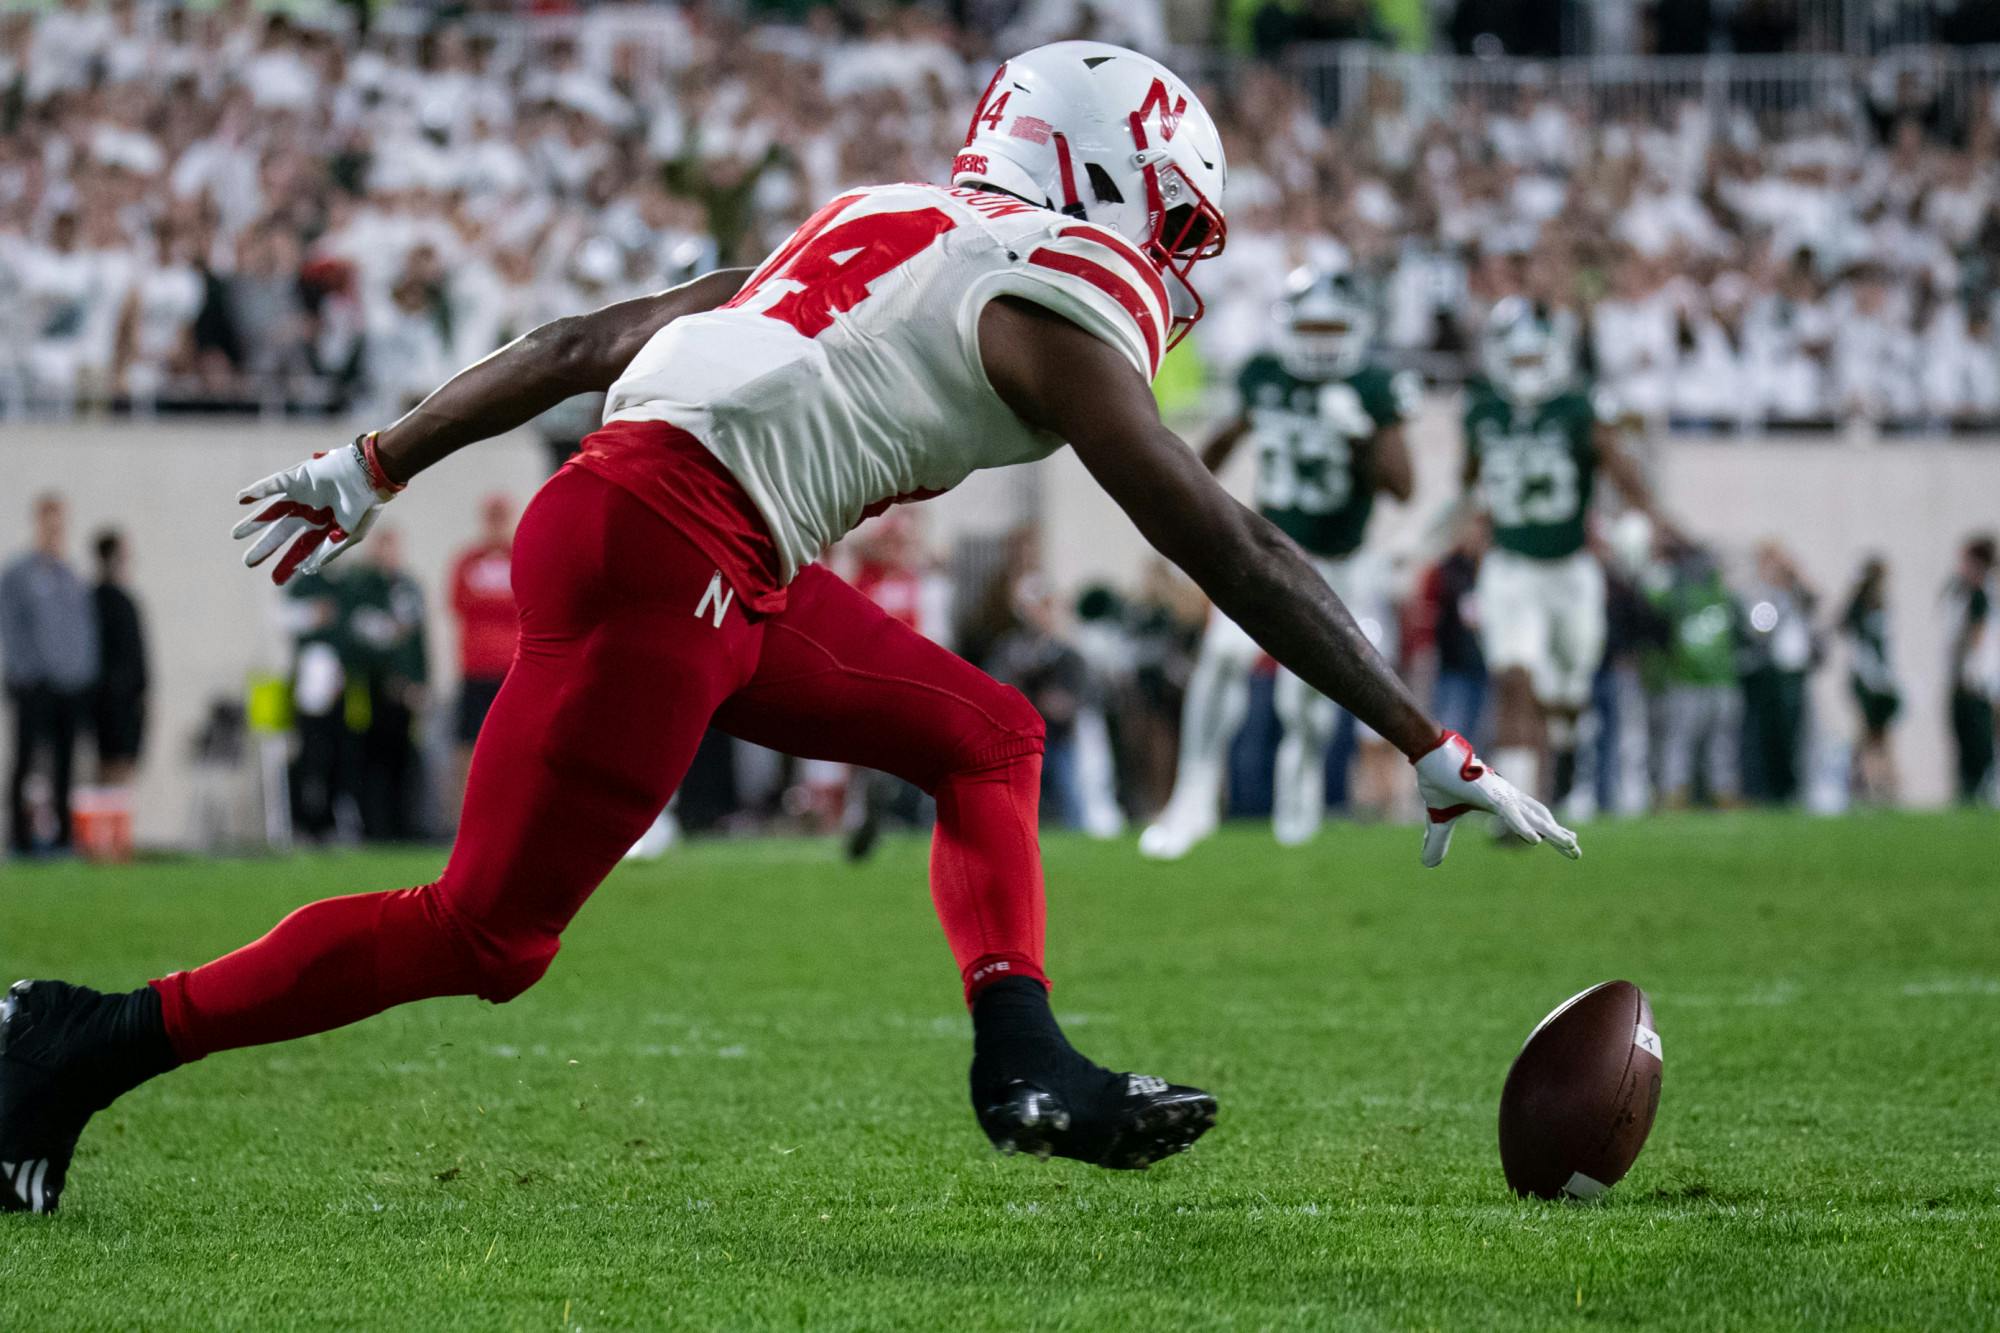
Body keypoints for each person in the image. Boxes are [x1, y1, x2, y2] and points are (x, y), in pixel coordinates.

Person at [0, 42, 1575, 1215]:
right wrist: (1424, 736)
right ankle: (77, 1042)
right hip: (672, 551)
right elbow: (1219, 536)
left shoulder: (879, 217)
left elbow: (584, 340)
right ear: (1102, 178)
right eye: (1170, 218)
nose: (1171, 261)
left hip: (694, 542)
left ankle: (1021, 1056)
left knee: (987, 734)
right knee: (486, 939)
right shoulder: (1039, 289)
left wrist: (378, 459)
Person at [1140, 267, 1418, 859]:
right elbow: (1216, 446)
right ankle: (1191, 800)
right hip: (1269, 552)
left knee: (1308, 698)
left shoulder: (1372, 385)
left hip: (1340, 562)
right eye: (1310, 326)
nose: (1319, 340)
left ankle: (1300, 796)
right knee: (1220, 659)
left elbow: (1404, 486)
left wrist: (1362, 436)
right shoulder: (1264, 376)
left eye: (1332, 327)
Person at [1459, 297, 1679, 815]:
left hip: (1570, 568)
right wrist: (1469, 522)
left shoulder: (1578, 408)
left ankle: (1561, 764)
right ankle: (1514, 805)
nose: (1527, 372)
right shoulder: (1484, 410)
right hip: (1511, 565)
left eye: (1536, 361)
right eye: (1518, 362)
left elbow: (1620, 468)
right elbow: (1469, 483)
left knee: (1567, 694)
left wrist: (1647, 515)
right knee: (1515, 679)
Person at [1, 494, 99, 856]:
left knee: (65, 763)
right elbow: (11, 628)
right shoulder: (18, 574)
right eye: (49, 522)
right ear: (38, 523)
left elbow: (82, 631)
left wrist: (82, 673)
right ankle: (19, 837)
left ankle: (62, 839)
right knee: (25, 762)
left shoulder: (70, 576)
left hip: (69, 686)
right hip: (33, 685)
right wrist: (26, 672)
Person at [342, 529, 430, 841]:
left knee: (404, 758)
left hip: (405, 690)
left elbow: (418, 640)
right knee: (370, 757)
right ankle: (373, 827)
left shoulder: (408, 587)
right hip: (371, 687)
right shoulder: (359, 586)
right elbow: (355, 637)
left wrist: (420, 681)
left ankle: (403, 825)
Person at [446, 495, 518, 822]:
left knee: (514, 746)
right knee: (468, 744)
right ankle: (468, 817)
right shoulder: (468, 561)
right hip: (475, 669)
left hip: (513, 669)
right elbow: (460, 604)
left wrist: (490, 603)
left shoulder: (521, 558)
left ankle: (511, 813)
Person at [88, 530, 149, 789]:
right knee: (109, 768)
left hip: (128, 701)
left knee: (125, 768)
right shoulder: (94, 601)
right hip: (107, 703)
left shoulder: (126, 602)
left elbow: (138, 656)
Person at [1841, 556, 1900, 805]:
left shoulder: (1882, 606)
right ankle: (1866, 783)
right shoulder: (1859, 607)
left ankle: (1881, 782)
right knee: (1868, 732)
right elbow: (1848, 632)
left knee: (1880, 734)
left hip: (1881, 678)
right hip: (1867, 678)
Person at [1944, 535, 1997, 804]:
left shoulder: (1981, 594)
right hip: (1970, 678)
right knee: (1966, 740)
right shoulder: (1964, 592)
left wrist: (1971, 671)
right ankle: (1971, 790)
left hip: (1976, 680)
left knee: (1978, 740)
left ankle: (1981, 789)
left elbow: (1978, 639)